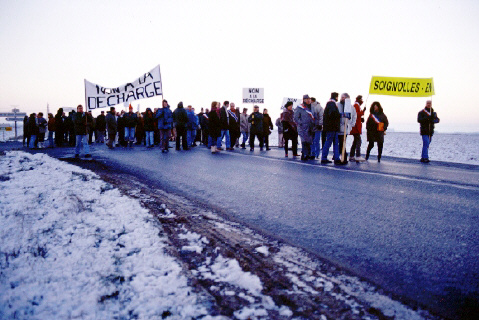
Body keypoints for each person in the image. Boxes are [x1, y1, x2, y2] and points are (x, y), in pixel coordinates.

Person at [321, 92, 342, 164]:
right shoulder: (332, 104)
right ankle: (327, 158)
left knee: (333, 142)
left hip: (331, 127)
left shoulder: (329, 104)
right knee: (331, 142)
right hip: (332, 127)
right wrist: (339, 115)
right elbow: (332, 114)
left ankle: (335, 158)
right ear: (336, 97)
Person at [294, 94, 315, 161]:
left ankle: (308, 154)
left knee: (309, 141)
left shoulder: (311, 107)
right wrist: (301, 123)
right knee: (304, 141)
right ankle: (304, 154)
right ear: (304, 100)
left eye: (309, 99)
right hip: (302, 127)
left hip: (310, 126)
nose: (308, 100)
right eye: (307, 99)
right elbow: (296, 118)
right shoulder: (300, 108)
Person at [337, 93, 357, 163]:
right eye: (342, 97)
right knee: (340, 142)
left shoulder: (351, 107)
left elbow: (354, 116)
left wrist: (352, 124)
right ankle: (342, 156)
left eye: (344, 97)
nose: (342, 98)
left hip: (346, 127)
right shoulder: (337, 105)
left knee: (343, 142)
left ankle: (344, 156)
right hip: (338, 127)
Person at [349, 95, 366, 161]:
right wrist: (363, 111)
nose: (362, 101)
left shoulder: (356, 105)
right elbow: (356, 114)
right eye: (361, 99)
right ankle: (358, 155)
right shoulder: (356, 105)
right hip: (356, 127)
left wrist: (361, 119)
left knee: (355, 141)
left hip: (355, 126)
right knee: (358, 141)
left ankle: (351, 155)